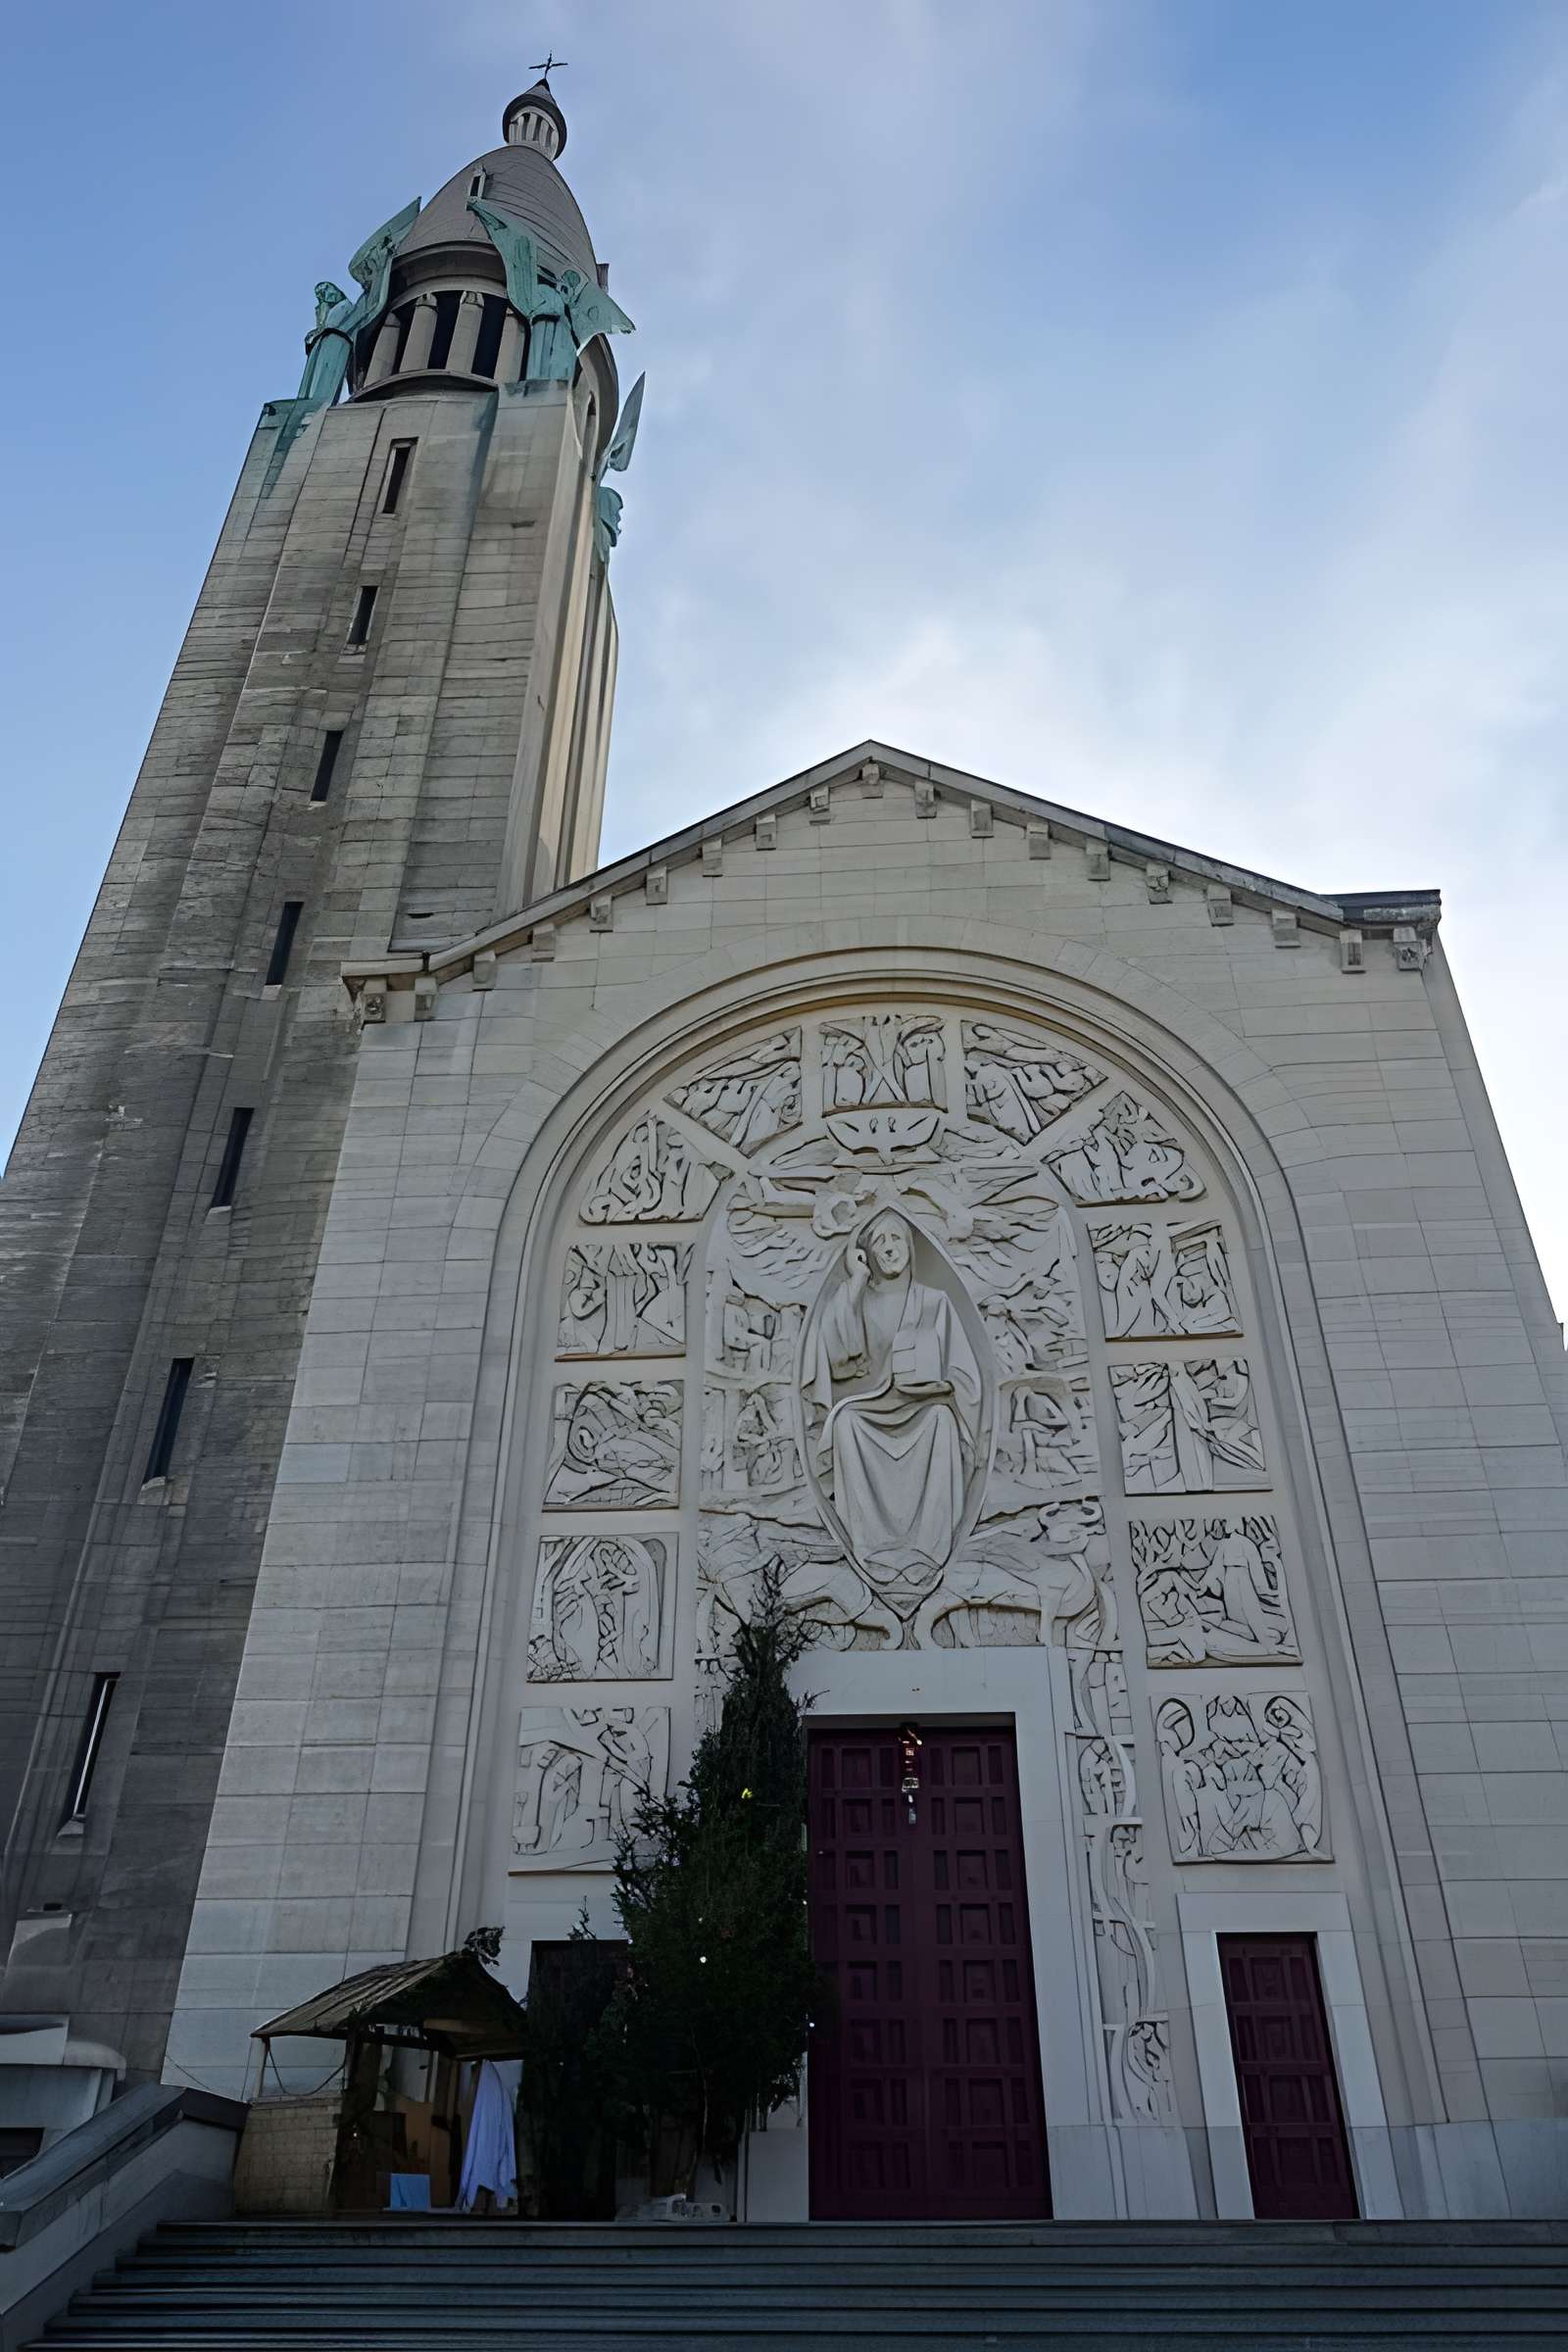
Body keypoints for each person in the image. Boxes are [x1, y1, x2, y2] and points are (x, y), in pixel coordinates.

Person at [803, 1209, 981, 1576]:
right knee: (846, 1425)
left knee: (942, 1421)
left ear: (910, 1248)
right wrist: (856, 1281)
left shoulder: (934, 1302)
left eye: (896, 1238)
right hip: (872, 1408)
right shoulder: (855, 1298)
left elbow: (963, 1372)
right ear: (867, 1254)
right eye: (880, 1241)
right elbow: (839, 1358)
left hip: (923, 1406)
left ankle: (929, 1548)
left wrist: (943, 1386)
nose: (889, 1248)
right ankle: (871, 1546)